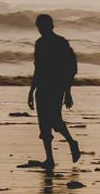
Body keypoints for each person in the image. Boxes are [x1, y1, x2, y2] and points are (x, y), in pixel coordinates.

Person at [27, 14, 80, 170]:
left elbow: (69, 68)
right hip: (43, 87)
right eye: (39, 27)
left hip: (55, 87)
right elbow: (38, 68)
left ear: (49, 26)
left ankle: (71, 142)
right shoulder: (40, 43)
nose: (40, 30)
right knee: (44, 124)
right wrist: (31, 91)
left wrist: (68, 91)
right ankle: (49, 158)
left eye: (42, 27)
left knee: (55, 120)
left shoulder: (60, 43)